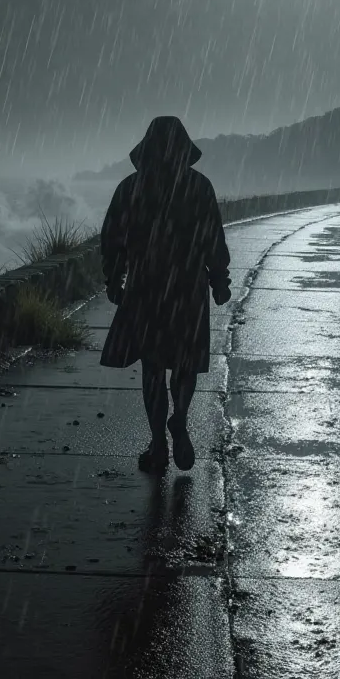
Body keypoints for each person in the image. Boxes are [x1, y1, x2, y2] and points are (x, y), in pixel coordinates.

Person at [99, 116, 232, 472]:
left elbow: (113, 239)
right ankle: (181, 418)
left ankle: (158, 443)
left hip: (146, 289)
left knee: (153, 367)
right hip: (188, 289)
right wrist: (220, 280)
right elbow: (213, 239)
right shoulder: (199, 187)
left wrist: (114, 279)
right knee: (186, 364)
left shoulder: (131, 188)